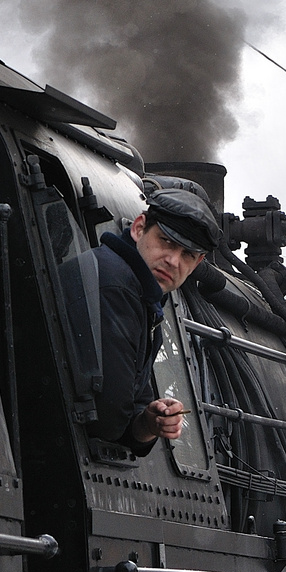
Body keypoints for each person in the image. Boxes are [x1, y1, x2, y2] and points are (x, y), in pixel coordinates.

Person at [88, 185, 222, 453]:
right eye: (167, 241)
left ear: (197, 264)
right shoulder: (116, 286)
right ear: (139, 228)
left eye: (188, 255)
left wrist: (150, 422)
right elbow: (108, 423)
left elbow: (127, 417)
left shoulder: (144, 299)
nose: (173, 260)